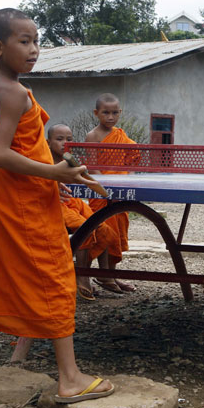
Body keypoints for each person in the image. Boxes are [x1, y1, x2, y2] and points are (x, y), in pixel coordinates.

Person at [0, 8, 114, 403]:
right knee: (56, 275)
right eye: (25, 42)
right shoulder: (15, 92)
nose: (35, 49)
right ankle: (70, 377)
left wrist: (60, 169)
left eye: (37, 41)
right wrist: (55, 174)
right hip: (20, 205)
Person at [47, 123, 118, 301]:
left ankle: (104, 274)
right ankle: (82, 275)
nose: (64, 143)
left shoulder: (71, 159)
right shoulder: (43, 160)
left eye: (69, 139)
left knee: (104, 228)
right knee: (84, 228)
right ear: (48, 142)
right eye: (59, 139)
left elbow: (85, 178)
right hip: (55, 205)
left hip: (74, 202)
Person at [85, 93, 138, 294]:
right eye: (106, 113)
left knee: (117, 234)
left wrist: (127, 181)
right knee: (102, 234)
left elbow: (130, 159)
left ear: (120, 113)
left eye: (115, 113)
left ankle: (110, 276)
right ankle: (97, 276)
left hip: (119, 191)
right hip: (101, 192)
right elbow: (92, 166)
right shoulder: (93, 136)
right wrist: (107, 189)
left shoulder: (120, 135)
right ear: (96, 113)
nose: (110, 117)